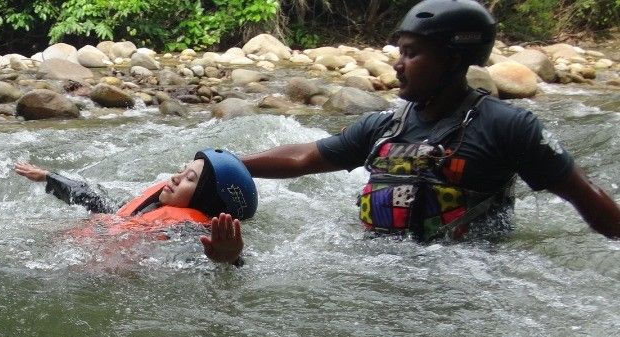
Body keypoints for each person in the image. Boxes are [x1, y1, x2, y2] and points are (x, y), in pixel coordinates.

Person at [203, 0, 620, 264]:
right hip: (379, 268)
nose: (398, 64)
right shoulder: (384, 125)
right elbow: (305, 157)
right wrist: (222, 165)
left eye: (412, 53)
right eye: (400, 52)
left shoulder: (509, 127)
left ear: (453, 59)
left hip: (471, 278)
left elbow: (586, 199)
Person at [15, 149, 258, 236]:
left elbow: (204, 260)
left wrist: (229, 258)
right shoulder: (156, 208)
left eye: (190, 179)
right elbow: (99, 204)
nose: (176, 177)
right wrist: (49, 177)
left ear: (206, 199)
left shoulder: (188, 230)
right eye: (182, 170)